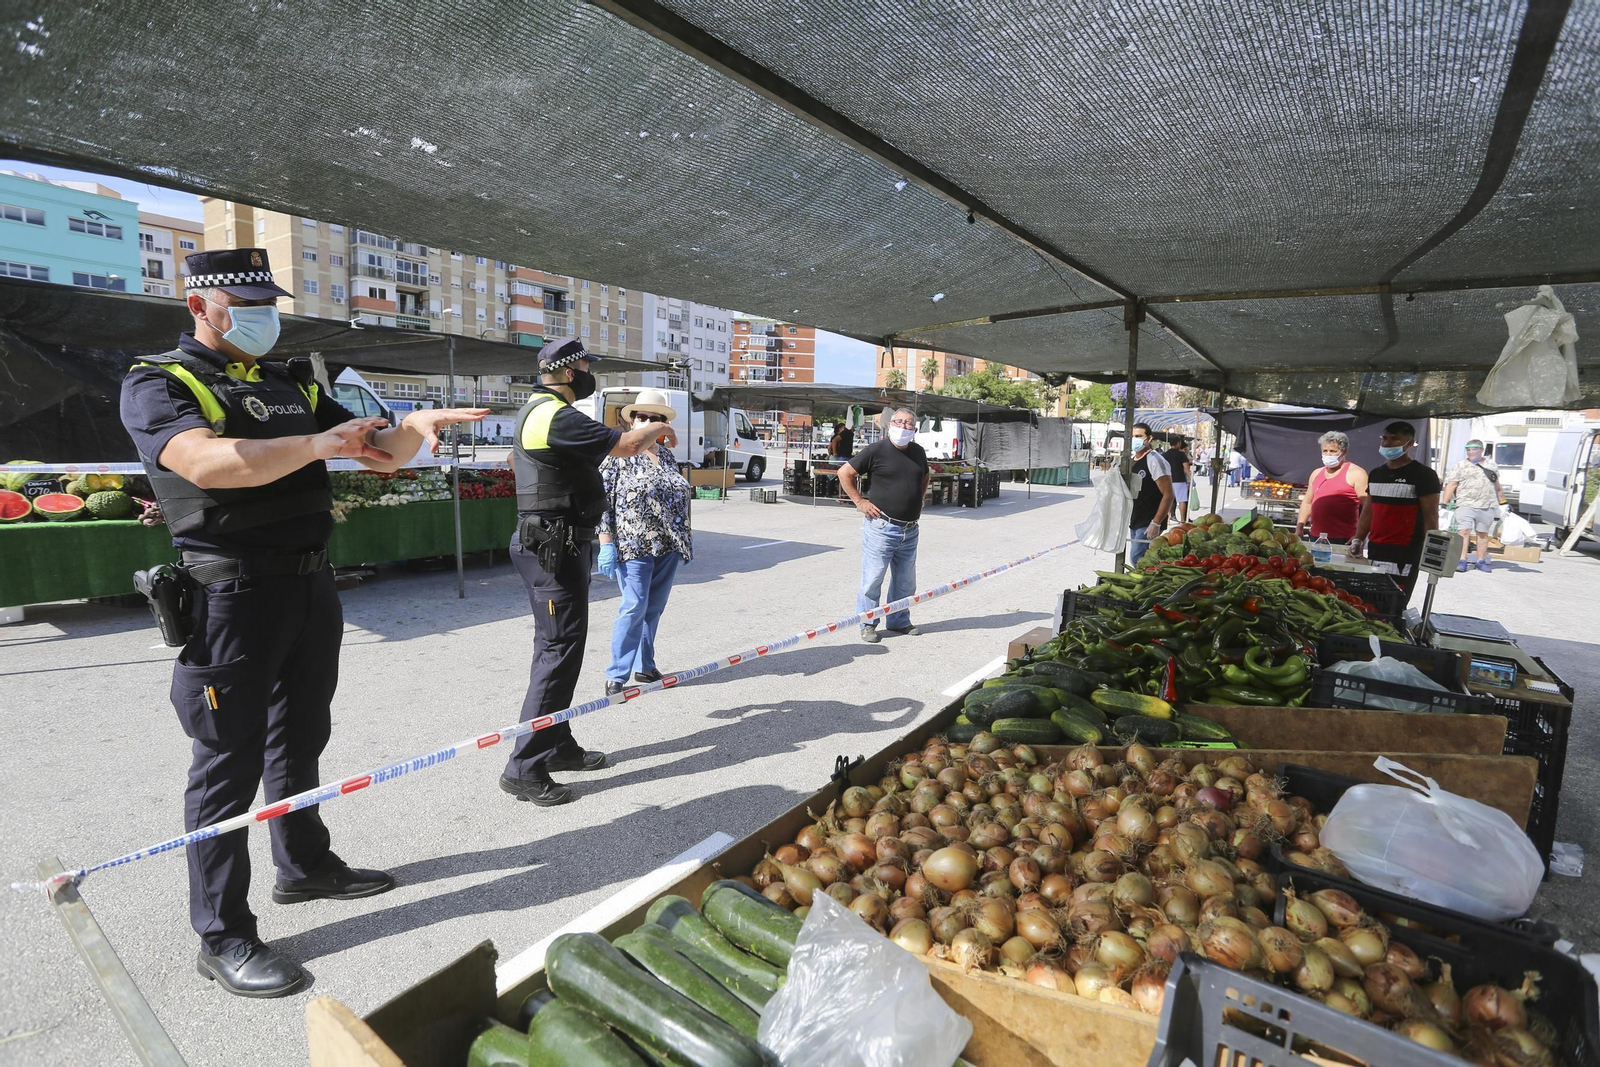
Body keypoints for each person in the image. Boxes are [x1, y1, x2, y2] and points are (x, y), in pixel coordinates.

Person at [120, 248, 488, 998]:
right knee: (226, 765)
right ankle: (222, 934)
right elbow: (208, 464)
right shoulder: (159, 381)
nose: (263, 316)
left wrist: (411, 428)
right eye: (245, 303)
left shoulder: (287, 382)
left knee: (301, 737)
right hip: (230, 599)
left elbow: (377, 454)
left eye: (268, 302)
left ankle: (305, 865)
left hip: (309, 586)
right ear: (200, 306)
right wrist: (320, 445)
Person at [500, 338, 676, 806]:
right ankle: (524, 768)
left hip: (557, 542)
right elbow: (625, 444)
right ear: (569, 371)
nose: (588, 373)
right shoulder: (554, 413)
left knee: (561, 650)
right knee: (558, 653)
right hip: (552, 548)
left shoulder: (543, 411)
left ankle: (557, 745)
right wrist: (658, 424)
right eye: (584, 366)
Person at [598, 390, 692, 695]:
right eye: (643, 417)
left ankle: (645, 665)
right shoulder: (617, 453)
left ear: (664, 424)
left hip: (667, 544)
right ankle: (617, 674)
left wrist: (684, 541)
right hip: (633, 543)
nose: (648, 422)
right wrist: (605, 543)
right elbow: (602, 500)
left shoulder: (666, 457)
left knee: (654, 608)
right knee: (633, 606)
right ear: (633, 421)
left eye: (656, 418)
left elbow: (677, 498)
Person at [840, 408, 929, 643]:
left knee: (905, 581)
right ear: (889, 425)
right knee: (873, 579)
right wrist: (860, 502)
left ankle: (899, 621)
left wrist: (917, 500)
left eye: (908, 424)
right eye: (898, 422)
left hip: (910, 530)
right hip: (882, 527)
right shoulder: (876, 450)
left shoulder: (918, 452)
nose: (903, 426)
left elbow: (925, 476)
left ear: (914, 429)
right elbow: (844, 472)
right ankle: (868, 623)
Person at [1349, 421, 1441, 596]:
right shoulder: (1376, 474)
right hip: (1376, 548)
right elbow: (1368, 511)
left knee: (1395, 600)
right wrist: (1358, 539)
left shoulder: (1423, 475)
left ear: (1410, 443)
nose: (1387, 443)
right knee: (1371, 598)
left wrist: (1431, 552)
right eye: (1384, 438)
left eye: (1394, 439)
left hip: (1405, 551)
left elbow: (1431, 516)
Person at [1295, 431, 1368, 543]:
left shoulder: (1356, 473)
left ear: (1344, 452)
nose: (1328, 454)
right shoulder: (1316, 473)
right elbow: (1307, 502)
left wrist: (1359, 536)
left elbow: (1368, 507)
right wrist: (1299, 528)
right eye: (1325, 451)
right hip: (1316, 537)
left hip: (1345, 539)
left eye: (1333, 451)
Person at [1443, 439, 1501, 572]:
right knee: (1463, 531)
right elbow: (1451, 484)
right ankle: (1462, 560)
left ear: (1481, 450)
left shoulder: (1491, 465)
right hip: (1465, 503)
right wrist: (1443, 503)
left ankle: (1480, 560)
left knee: (1482, 533)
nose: (1471, 451)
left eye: (1474, 449)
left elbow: (1497, 485)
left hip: (1486, 504)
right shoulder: (1460, 465)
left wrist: (1503, 503)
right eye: (1468, 449)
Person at [1126, 423, 1174, 566]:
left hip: (1149, 519)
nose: (1135, 439)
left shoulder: (1155, 460)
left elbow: (1168, 494)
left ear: (1149, 439)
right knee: (1141, 560)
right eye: (1132, 436)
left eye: (1139, 436)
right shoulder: (1130, 460)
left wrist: (1156, 522)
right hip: (1135, 518)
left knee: (1138, 558)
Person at [1163, 435, 1193, 523]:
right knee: (1182, 500)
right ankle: (1183, 520)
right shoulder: (1181, 454)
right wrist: (1191, 479)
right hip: (1180, 480)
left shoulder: (1165, 454)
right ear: (1178, 443)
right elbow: (1186, 468)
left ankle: (1167, 519)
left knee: (1168, 500)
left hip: (1168, 480)